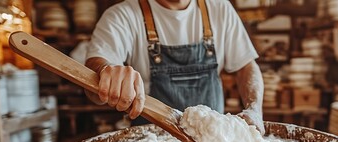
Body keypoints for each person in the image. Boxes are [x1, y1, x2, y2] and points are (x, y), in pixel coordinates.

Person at [84, 0, 265, 133]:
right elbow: (95, 66)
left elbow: (246, 66)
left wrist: (254, 109)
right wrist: (105, 72)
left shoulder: (219, 9)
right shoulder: (123, 15)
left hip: (212, 140)